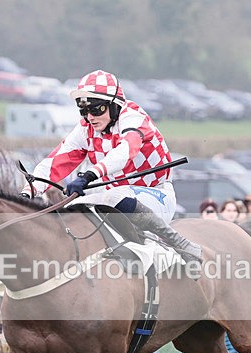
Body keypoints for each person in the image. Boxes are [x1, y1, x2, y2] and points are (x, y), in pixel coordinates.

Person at [22, 69, 200, 264]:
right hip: (114, 201)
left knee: (115, 195)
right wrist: (28, 191)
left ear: (115, 105)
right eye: (84, 110)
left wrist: (89, 175)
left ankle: (180, 243)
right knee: (70, 209)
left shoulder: (133, 118)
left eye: (97, 109)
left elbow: (124, 152)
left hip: (155, 196)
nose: (90, 117)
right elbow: (56, 161)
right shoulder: (85, 129)